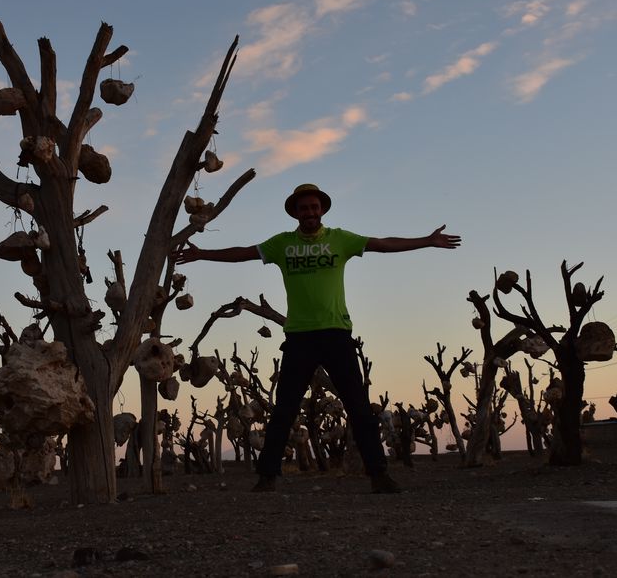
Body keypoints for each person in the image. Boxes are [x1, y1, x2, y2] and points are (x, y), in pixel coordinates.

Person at [172, 183, 461, 493]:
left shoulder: (340, 239)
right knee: (284, 409)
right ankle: (267, 476)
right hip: (299, 338)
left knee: (359, 408)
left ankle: (378, 474)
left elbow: (382, 244)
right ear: (295, 213)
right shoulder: (282, 244)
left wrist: (426, 241)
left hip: (337, 335)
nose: (309, 212)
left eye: (314, 207)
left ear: (321, 210)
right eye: (303, 208)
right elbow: (243, 253)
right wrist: (202, 254)